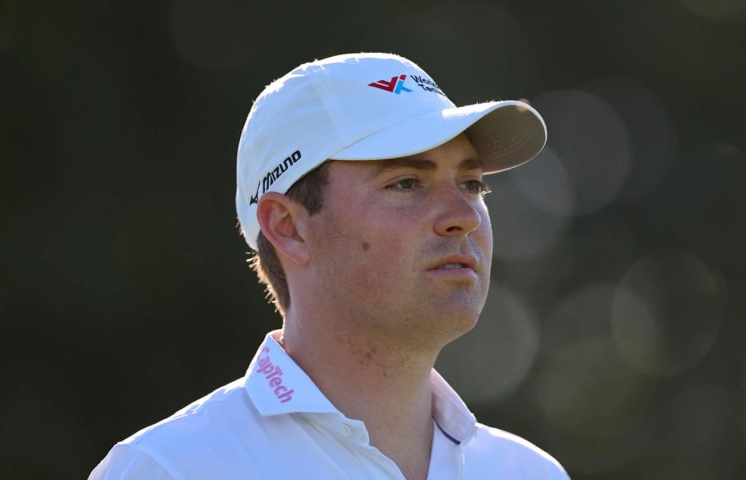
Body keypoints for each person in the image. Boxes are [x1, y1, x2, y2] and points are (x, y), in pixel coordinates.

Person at [89, 52, 569, 480]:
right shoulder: (170, 469)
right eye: (406, 183)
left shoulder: (529, 472)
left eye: (471, 185)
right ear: (288, 227)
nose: (464, 217)